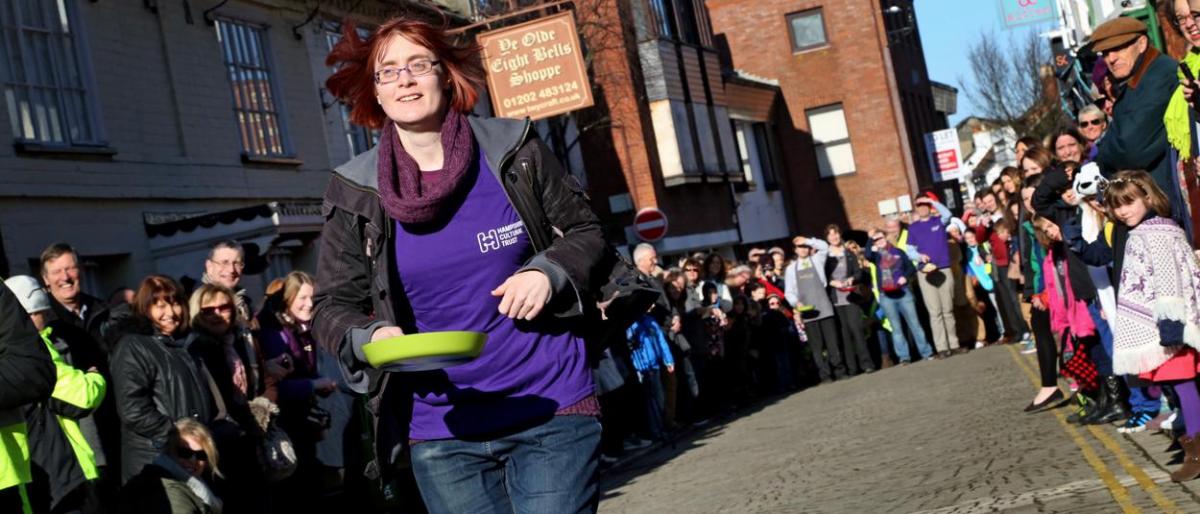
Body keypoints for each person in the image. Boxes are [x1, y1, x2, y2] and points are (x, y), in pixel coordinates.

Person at [316, 15, 608, 512]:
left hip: (550, 407)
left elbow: (587, 233)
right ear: (376, 92)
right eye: (388, 71)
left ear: (445, 76)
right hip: (441, 429)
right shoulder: (355, 190)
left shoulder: (513, 149)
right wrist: (368, 338)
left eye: (418, 65)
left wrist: (549, 271)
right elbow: (331, 304)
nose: (404, 79)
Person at [1103, 170, 1200, 482]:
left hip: (1170, 325)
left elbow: (1168, 278)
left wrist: (1170, 322)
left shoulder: (1154, 233)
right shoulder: (1155, 229)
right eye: (1117, 205)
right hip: (1168, 324)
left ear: (1147, 196)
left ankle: (1196, 452)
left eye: (1129, 202)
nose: (1123, 210)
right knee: (1180, 387)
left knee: (1184, 385)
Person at [5, 275, 107, 514]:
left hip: (29, 478)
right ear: (29, 314)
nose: (48, 319)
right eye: (42, 312)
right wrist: (96, 377)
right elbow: (80, 397)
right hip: (60, 476)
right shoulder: (33, 350)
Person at [1090, 16, 1191, 235]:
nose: (1111, 59)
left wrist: (1102, 154)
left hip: (1165, 207)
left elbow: (1131, 149)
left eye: (1118, 49)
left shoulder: (1159, 75)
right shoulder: (1137, 80)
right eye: (1105, 53)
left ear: (1142, 43)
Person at [109, 275, 214, 484]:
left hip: (187, 456)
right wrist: (175, 435)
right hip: (156, 459)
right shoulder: (134, 346)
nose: (170, 313)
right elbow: (132, 409)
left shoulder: (184, 344)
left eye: (174, 304)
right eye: (159, 305)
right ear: (145, 309)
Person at [256, 272, 340, 507]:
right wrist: (312, 385)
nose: (309, 304)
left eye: (312, 298)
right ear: (288, 298)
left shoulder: (297, 328)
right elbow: (275, 386)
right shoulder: (274, 333)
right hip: (286, 427)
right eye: (302, 298)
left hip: (302, 424)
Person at [118, 418, 223, 514]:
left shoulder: (196, 485)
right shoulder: (169, 489)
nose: (193, 460)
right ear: (169, 451)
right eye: (185, 452)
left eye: (201, 455)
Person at [865, 229, 934, 364]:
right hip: (886, 296)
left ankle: (927, 352)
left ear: (886, 238)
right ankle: (904, 357)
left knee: (915, 324)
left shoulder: (898, 252)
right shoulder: (876, 255)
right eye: (876, 240)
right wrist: (869, 238)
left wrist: (905, 277)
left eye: (881, 238)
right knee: (896, 328)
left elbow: (911, 268)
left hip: (903, 292)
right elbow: (867, 254)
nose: (879, 241)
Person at [784, 235, 843, 382]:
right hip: (807, 311)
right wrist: (795, 302)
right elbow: (789, 292)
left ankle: (839, 370)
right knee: (816, 347)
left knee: (832, 342)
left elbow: (824, 246)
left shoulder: (817, 260)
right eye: (800, 247)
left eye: (805, 247)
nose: (803, 249)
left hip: (824, 306)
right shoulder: (791, 269)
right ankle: (824, 375)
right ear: (795, 250)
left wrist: (807, 240)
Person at [907, 194, 958, 359]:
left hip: (943, 269)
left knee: (948, 310)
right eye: (919, 205)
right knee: (935, 312)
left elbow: (948, 215)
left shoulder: (938, 221)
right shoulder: (913, 228)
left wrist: (932, 201)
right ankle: (942, 348)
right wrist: (919, 256)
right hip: (926, 272)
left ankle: (954, 344)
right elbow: (910, 251)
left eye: (924, 204)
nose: (922, 207)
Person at [824, 225, 874, 374]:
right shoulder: (825, 256)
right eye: (831, 235)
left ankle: (867, 364)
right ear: (827, 238)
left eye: (836, 234)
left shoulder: (849, 253)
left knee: (856, 330)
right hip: (836, 300)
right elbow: (823, 277)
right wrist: (833, 282)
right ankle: (852, 368)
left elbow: (858, 273)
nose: (834, 237)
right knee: (844, 334)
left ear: (840, 235)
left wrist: (851, 279)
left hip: (851, 297)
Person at [625, 312, 674, 442]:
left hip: (655, 365)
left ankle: (662, 428)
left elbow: (661, 340)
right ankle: (655, 430)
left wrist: (668, 359)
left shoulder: (650, 320)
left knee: (659, 398)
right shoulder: (630, 324)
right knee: (650, 400)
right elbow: (629, 344)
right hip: (642, 367)